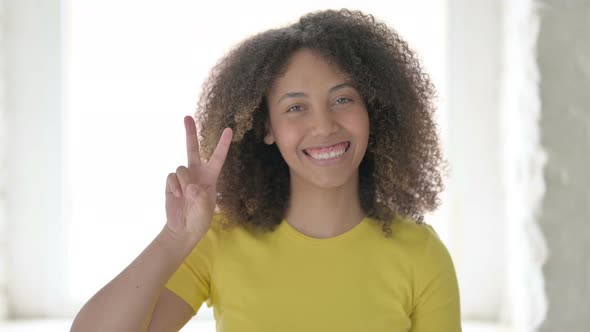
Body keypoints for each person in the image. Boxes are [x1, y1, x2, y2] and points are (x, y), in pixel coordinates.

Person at [71, 8, 461, 332]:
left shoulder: (422, 256)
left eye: (342, 99)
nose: (324, 125)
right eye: (295, 107)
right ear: (267, 128)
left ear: (372, 112)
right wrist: (174, 240)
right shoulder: (220, 241)